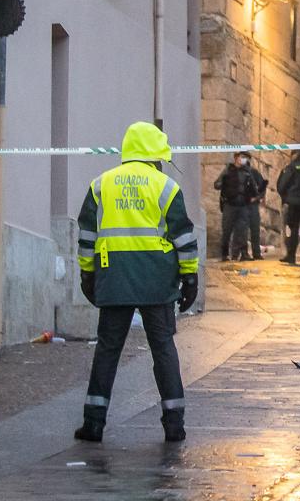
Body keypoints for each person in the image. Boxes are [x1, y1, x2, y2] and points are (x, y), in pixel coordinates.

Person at [74, 122, 199, 443]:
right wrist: (190, 276)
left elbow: (87, 235)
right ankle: (174, 423)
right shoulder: (166, 187)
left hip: (114, 277)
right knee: (163, 348)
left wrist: (87, 273)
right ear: (155, 155)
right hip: (157, 281)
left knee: (108, 350)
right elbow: (183, 237)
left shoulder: (101, 185)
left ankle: (93, 423)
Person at [213, 151, 265, 261]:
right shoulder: (228, 170)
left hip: (243, 206)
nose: (244, 159)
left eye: (246, 158)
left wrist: (255, 197)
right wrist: (224, 184)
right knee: (227, 230)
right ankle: (224, 255)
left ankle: (244, 254)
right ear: (236, 158)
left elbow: (255, 189)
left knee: (243, 231)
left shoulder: (248, 172)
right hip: (230, 205)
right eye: (242, 157)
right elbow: (217, 184)